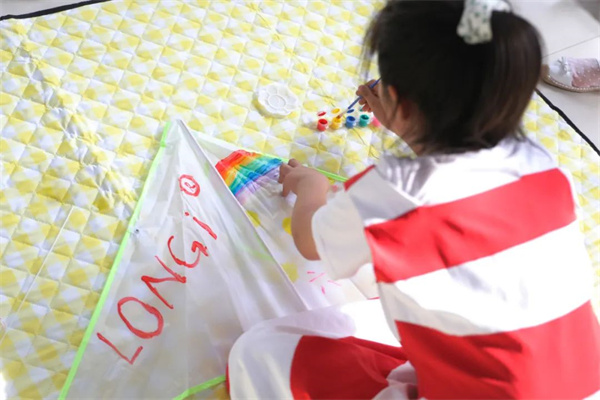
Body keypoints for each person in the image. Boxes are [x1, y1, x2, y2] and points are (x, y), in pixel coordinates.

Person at [227, 0, 600, 398]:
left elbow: (309, 241)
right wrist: (410, 122)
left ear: (397, 99)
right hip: (581, 381)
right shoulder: (545, 169)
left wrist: (310, 187)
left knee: (258, 352)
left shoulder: (393, 191)